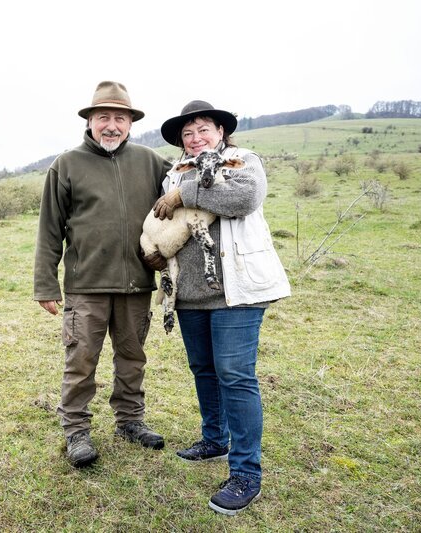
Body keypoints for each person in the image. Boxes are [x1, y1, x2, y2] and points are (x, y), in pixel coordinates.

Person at [148, 100, 291, 514]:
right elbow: (167, 223)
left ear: (221, 132)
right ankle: (214, 439)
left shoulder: (242, 161)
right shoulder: (175, 173)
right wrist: (154, 253)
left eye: (203, 129)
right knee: (204, 370)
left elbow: (242, 198)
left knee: (235, 376)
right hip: (190, 295)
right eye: (187, 133)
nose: (195, 138)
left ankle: (246, 472)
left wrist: (182, 193)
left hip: (237, 293)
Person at [34, 81, 173, 468]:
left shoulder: (151, 162)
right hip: (86, 285)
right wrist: (45, 283)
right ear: (90, 121)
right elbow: (50, 229)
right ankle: (76, 431)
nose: (111, 125)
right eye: (103, 117)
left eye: (120, 118)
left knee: (132, 357)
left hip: (136, 284)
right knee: (82, 360)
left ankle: (130, 420)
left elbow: (189, 185)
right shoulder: (67, 164)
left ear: (130, 122)